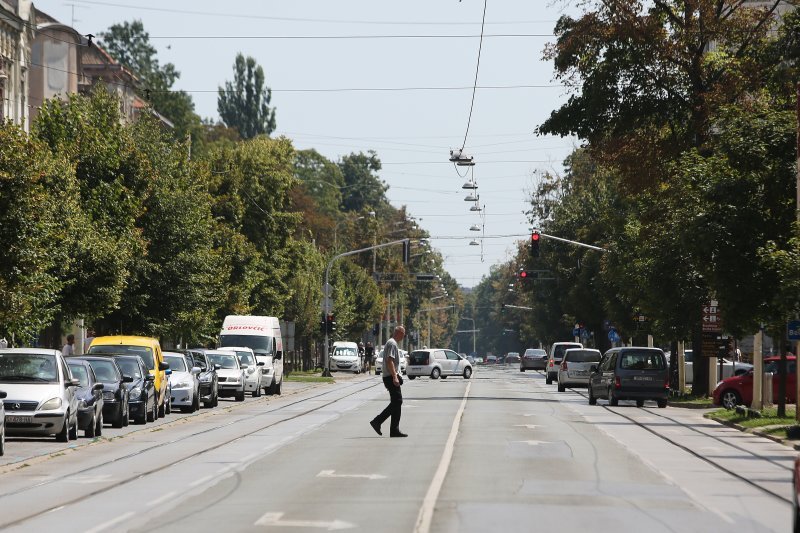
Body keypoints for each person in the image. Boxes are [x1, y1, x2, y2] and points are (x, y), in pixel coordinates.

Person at [370, 326, 407, 438]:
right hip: (390, 376)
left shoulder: (391, 343)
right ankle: (377, 421)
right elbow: (389, 361)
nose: (404, 337)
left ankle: (394, 430)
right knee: (397, 401)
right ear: (399, 333)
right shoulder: (392, 343)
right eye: (403, 334)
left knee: (397, 402)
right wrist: (395, 377)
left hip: (390, 376)